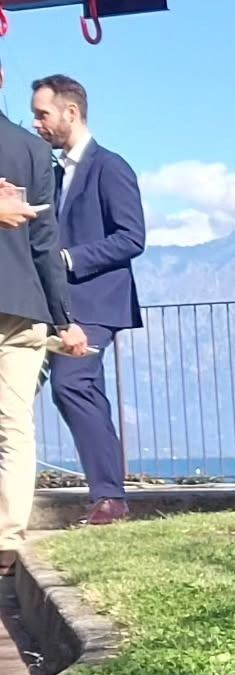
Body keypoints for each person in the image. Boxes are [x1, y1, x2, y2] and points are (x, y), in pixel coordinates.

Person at [31, 73, 144, 526]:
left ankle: (110, 498)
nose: (36, 123)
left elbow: (132, 238)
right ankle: (107, 495)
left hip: (95, 305)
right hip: (47, 305)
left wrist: (68, 259)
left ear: (70, 112)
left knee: (73, 385)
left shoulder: (111, 168)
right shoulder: (51, 176)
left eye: (42, 113)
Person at [0, 66, 88, 575]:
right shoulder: (32, 151)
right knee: (14, 427)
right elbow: (44, 246)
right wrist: (64, 318)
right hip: (23, 306)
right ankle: (8, 540)